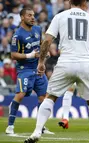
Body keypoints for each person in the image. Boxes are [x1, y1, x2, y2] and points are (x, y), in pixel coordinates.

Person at [24, 0, 89, 143]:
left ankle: (37, 131)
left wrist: (41, 62)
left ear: (69, 2)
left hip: (65, 62)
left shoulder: (60, 16)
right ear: (85, 2)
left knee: (50, 97)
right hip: (86, 63)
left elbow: (47, 41)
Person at [5, 7, 53, 135]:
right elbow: (13, 55)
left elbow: (42, 44)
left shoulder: (38, 29)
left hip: (37, 69)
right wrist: (30, 55)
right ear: (22, 17)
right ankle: (10, 126)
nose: (33, 18)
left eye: (33, 15)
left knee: (44, 97)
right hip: (24, 69)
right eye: (29, 15)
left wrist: (44, 53)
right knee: (20, 95)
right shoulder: (17, 35)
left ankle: (41, 127)